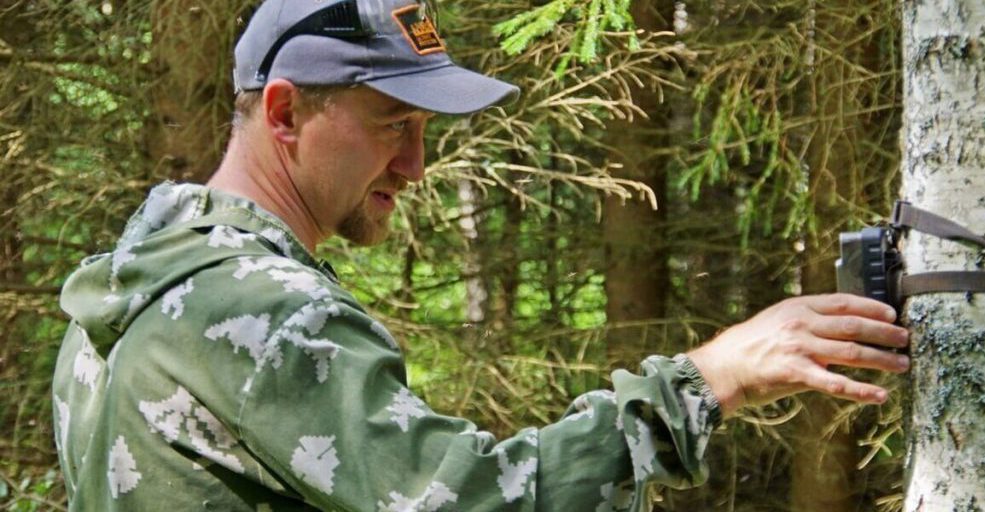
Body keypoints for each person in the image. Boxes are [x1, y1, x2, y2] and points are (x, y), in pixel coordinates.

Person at [51, 0, 910, 509]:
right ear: (283, 113)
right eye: (395, 126)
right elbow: (485, 500)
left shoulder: (134, 288)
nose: (417, 166)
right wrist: (710, 378)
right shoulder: (259, 309)